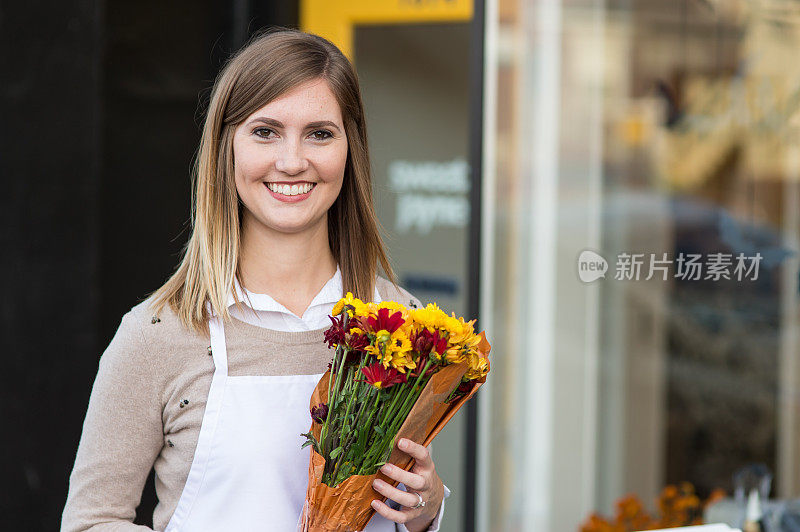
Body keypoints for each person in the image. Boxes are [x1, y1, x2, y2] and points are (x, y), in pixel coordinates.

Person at [61, 27, 450, 532]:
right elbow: (90, 521)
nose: (292, 161)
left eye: (320, 133)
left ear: (350, 149)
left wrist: (426, 506)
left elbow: (403, 507)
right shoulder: (158, 334)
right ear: (227, 148)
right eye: (265, 131)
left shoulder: (404, 328)